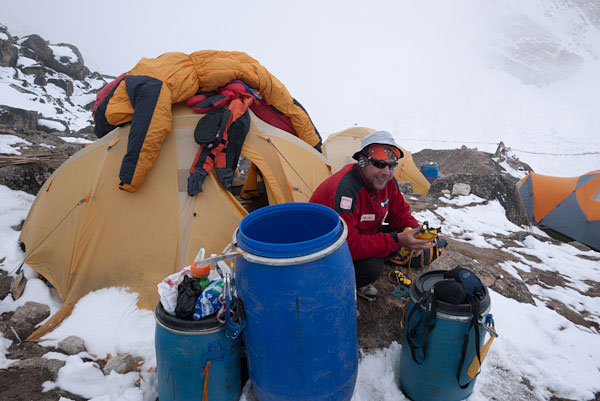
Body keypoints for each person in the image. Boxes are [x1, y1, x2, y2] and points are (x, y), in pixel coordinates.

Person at [309, 131, 434, 301]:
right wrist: (397, 240)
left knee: (408, 238)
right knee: (371, 268)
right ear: (362, 162)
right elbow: (346, 245)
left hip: (356, 234)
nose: (386, 172)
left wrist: (414, 230)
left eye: (391, 165)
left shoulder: (387, 181)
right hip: (322, 253)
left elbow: (400, 212)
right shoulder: (346, 191)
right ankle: (341, 288)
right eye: (379, 164)